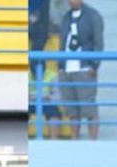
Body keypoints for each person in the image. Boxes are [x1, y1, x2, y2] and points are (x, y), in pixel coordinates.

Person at [58, 0, 103, 140]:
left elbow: (98, 42)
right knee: (72, 109)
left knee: (89, 107)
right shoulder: (66, 17)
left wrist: (94, 65)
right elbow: (62, 41)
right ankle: (74, 139)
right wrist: (61, 65)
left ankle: (93, 141)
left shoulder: (93, 16)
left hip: (84, 67)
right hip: (67, 68)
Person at [30, 61, 62, 139]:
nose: (37, 76)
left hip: (46, 102)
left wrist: (49, 97)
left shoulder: (52, 75)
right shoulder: (26, 74)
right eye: (35, 74)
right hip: (30, 102)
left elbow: (58, 96)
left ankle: (53, 142)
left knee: (55, 114)